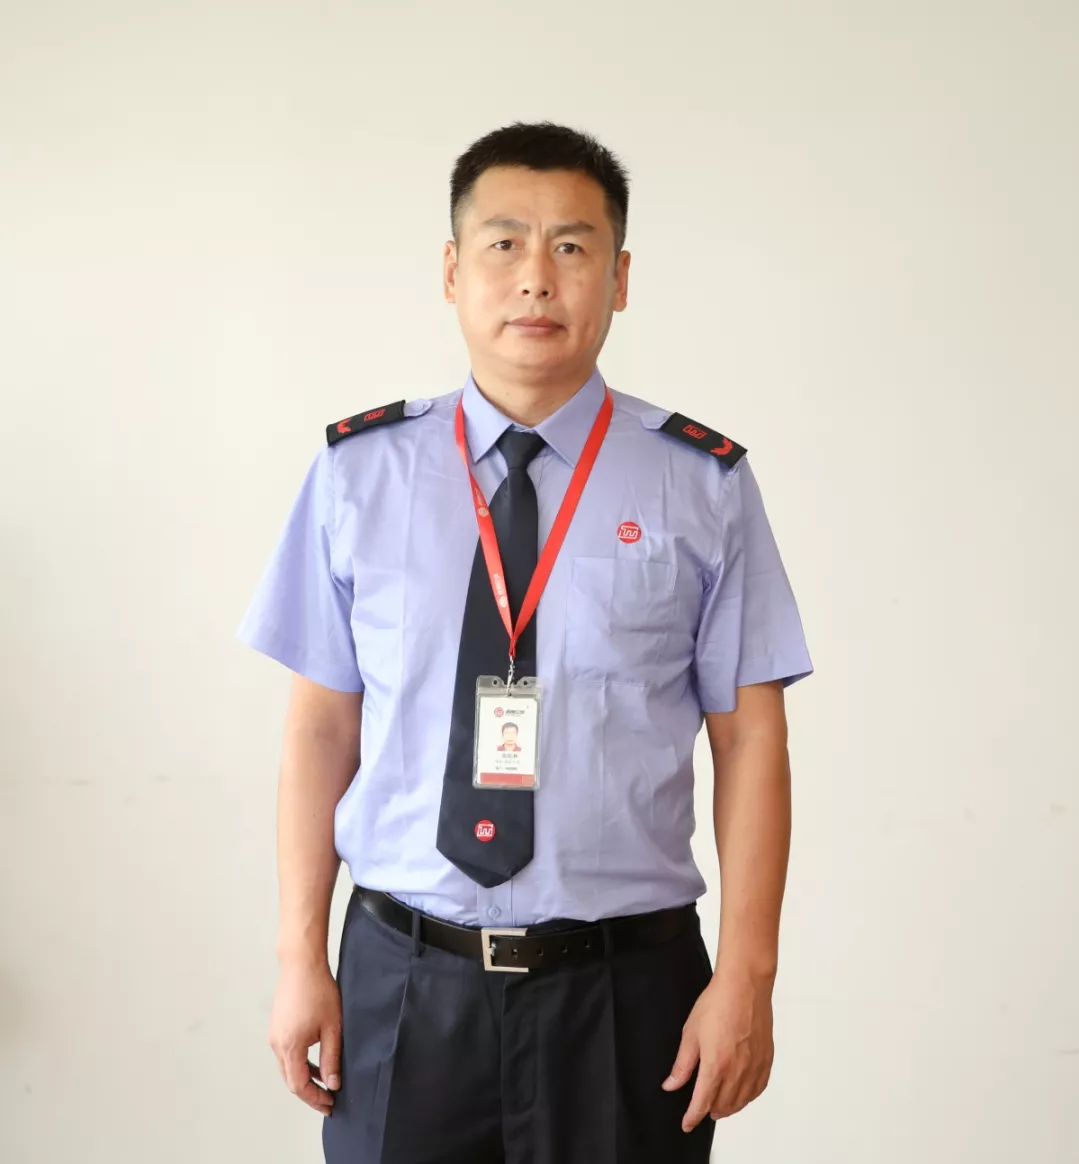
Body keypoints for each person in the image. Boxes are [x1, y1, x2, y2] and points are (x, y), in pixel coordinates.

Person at [237, 120, 813, 1164]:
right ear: (453, 272)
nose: (537, 278)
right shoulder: (358, 476)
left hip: (624, 994)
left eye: (573, 247)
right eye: (504, 244)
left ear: (620, 278)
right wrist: (297, 957)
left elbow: (751, 741)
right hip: (402, 980)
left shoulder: (701, 486)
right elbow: (319, 731)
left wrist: (748, 976)